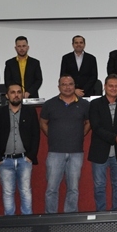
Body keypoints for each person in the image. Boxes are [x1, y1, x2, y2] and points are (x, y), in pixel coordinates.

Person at [40, 75, 90, 213]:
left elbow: (88, 123)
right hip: (55, 152)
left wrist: (81, 134)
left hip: (76, 152)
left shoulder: (84, 104)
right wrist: (52, 135)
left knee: (73, 189)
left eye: (70, 84)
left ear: (74, 86)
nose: (67, 87)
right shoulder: (50, 104)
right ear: (59, 87)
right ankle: (50, 217)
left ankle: (70, 216)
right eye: (64, 84)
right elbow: (43, 122)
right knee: (51, 188)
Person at [0, 83, 40, 215]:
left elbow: (36, 135)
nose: (16, 95)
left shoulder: (30, 112)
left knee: (26, 191)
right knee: (7, 192)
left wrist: (31, 156)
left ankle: (27, 221)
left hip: (24, 159)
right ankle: (9, 222)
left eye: (19, 92)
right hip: (5, 161)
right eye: (13, 92)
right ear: (7, 95)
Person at [88, 74, 117, 211]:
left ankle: (116, 213)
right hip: (99, 152)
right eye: (110, 86)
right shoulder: (95, 104)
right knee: (99, 186)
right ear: (105, 87)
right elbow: (96, 127)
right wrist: (115, 138)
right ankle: (101, 215)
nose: (113, 88)